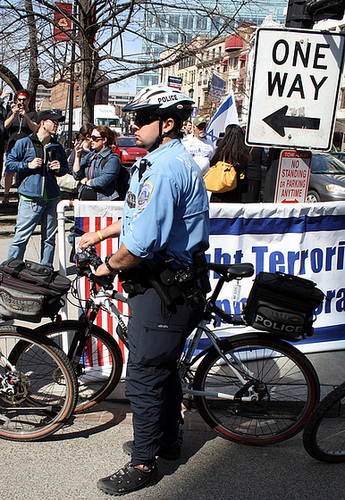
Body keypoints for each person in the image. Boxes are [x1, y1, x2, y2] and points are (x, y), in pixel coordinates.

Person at [78, 84, 210, 496]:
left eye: (141, 119)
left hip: (165, 290)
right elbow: (141, 215)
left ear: (167, 123)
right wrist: (105, 233)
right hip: (167, 285)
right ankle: (167, 440)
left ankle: (144, 462)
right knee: (162, 367)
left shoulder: (166, 167)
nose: (132, 126)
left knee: (144, 375)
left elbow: (141, 244)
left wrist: (104, 268)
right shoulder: (162, 161)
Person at [6, 110, 67, 268]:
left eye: (58, 122)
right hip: (30, 199)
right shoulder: (24, 143)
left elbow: (65, 168)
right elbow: (9, 164)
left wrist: (59, 169)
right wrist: (27, 165)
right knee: (21, 237)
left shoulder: (57, 146)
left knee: (49, 238)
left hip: (52, 198)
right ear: (42, 123)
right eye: (53, 121)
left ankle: (46, 270)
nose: (56, 124)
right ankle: (10, 269)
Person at [2, 90, 38, 204]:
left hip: (27, 147)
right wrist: (14, 114)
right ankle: (6, 195)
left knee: (24, 171)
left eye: (24, 100)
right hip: (13, 145)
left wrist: (26, 116)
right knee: (9, 171)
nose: (21, 102)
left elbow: (34, 128)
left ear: (28, 101)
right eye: (20, 100)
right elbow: (6, 125)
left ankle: (22, 193)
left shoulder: (33, 114)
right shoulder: (12, 113)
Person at [72, 125, 121, 200]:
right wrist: (77, 156)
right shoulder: (90, 156)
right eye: (90, 137)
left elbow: (103, 181)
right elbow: (77, 176)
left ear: (104, 140)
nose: (91, 140)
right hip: (86, 200)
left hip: (104, 201)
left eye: (94, 138)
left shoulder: (112, 158)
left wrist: (87, 182)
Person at [209, 124, 251, 203]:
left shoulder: (221, 150)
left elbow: (212, 163)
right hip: (234, 187)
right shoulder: (242, 152)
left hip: (220, 186)